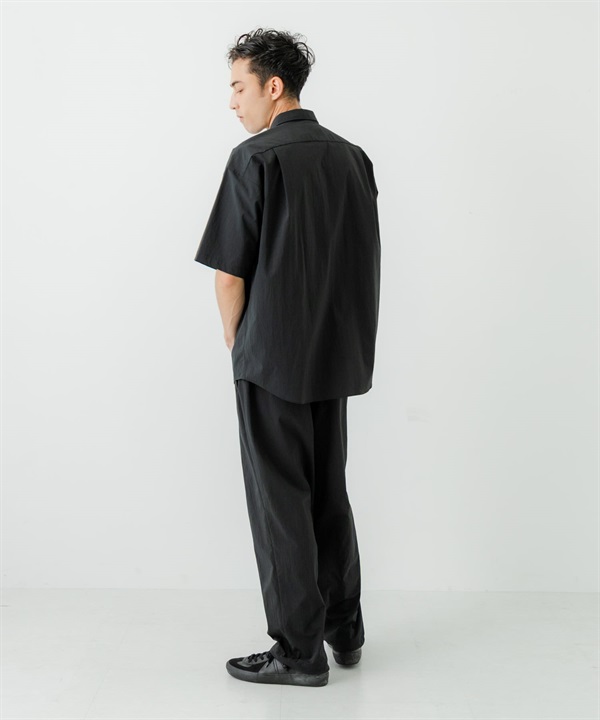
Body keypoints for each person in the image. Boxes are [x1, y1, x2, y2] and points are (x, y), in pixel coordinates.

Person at [194, 28, 381, 687]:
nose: (232, 101)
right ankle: (345, 632)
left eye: (238, 86)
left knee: (281, 504)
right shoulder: (353, 158)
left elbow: (229, 275)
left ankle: (299, 652)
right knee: (329, 494)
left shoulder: (254, 157)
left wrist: (236, 338)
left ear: (274, 87)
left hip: (271, 357)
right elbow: (360, 259)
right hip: (336, 354)